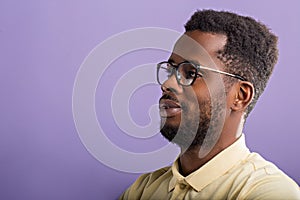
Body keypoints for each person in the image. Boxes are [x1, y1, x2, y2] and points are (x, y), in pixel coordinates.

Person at [119, 9, 300, 200]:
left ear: (240, 96)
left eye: (191, 73)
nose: (167, 84)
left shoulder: (269, 193)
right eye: (171, 70)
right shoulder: (143, 189)